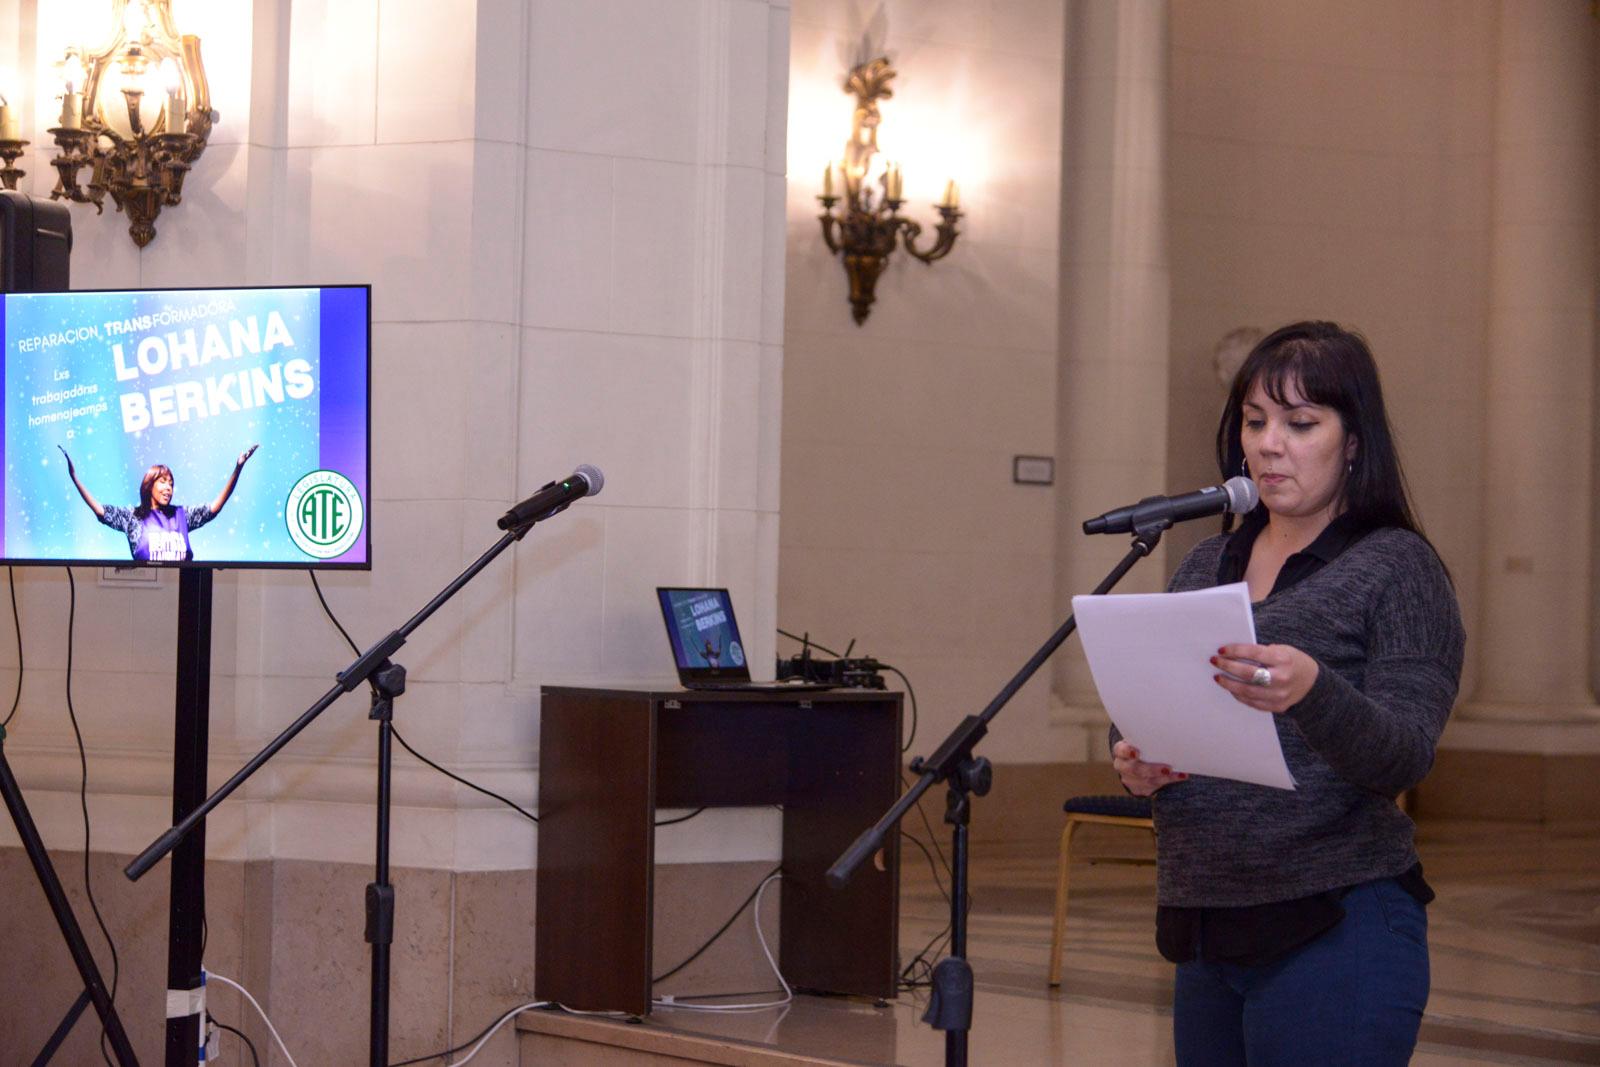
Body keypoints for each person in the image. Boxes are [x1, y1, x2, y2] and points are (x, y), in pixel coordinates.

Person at [1110, 322, 1464, 1066]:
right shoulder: (1206, 562)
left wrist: (1312, 690)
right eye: (1255, 420)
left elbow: (1404, 754)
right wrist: (1141, 760)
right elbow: (1169, 711)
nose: (1269, 444)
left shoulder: (1397, 568)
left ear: (1355, 441)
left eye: (1301, 423)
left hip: (1334, 927)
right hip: (1205, 929)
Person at [60, 444, 259, 562]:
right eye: (163, 481)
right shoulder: (133, 517)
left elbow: (215, 507)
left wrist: (238, 468)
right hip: (147, 592)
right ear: (149, 485)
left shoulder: (182, 515)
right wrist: (74, 478)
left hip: (184, 590)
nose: (168, 488)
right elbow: (100, 511)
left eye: (171, 484)